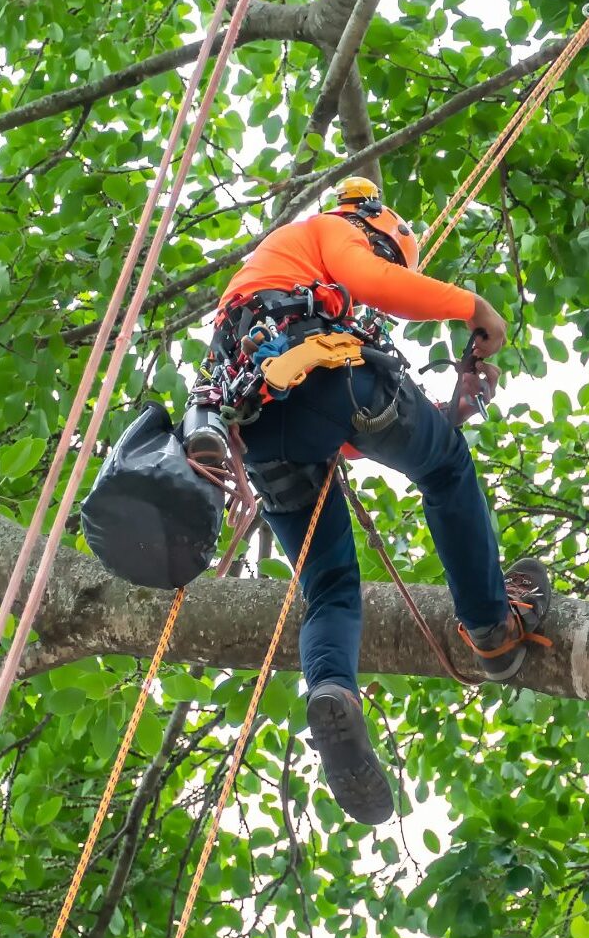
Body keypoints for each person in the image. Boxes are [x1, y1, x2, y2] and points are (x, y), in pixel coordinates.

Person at [205, 176, 551, 824]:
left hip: (260, 428)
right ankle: (490, 627)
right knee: (446, 469)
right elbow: (372, 282)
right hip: (327, 374)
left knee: (331, 586)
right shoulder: (330, 231)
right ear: (375, 228)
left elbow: (348, 439)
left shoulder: (264, 288)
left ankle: (334, 690)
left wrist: (452, 411)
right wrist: (471, 306)